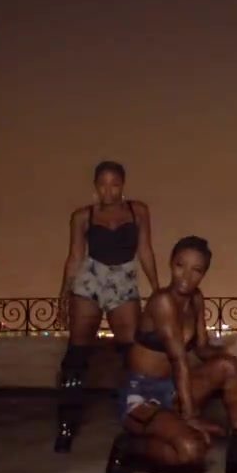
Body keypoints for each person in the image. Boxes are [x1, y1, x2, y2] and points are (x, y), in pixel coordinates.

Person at [104, 236, 237, 473]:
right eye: (180, 265)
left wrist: (227, 355)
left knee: (229, 366)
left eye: (196, 270)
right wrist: (190, 419)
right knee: (191, 451)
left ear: (203, 274)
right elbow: (179, 361)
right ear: (171, 264)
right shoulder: (163, 302)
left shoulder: (196, 299)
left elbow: (201, 349)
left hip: (173, 389)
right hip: (142, 395)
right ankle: (128, 447)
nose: (186, 276)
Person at [54, 160, 159, 453]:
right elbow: (75, 256)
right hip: (90, 279)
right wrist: (63, 295)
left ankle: (138, 421)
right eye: (102, 184)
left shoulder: (138, 211)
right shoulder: (82, 216)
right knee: (76, 355)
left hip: (124, 280)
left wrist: (156, 288)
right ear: (95, 186)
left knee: (132, 354)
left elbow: (145, 250)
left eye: (114, 184)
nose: (108, 190)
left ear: (123, 185)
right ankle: (66, 426)